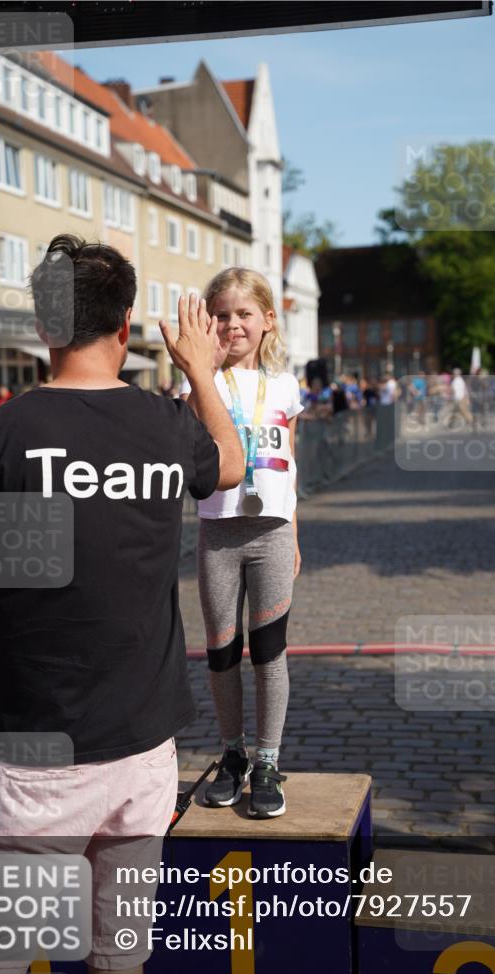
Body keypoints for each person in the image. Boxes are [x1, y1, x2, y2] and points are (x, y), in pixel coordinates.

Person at [0, 234, 243, 974]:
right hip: (141, 745)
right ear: (126, 324)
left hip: (37, 742)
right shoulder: (166, 428)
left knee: (0, 963)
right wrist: (199, 369)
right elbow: (229, 465)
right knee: (116, 961)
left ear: (43, 326)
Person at [180, 267, 303, 819]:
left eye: (244, 314)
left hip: (272, 531)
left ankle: (269, 760)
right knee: (223, 653)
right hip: (219, 532)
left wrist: (295, 534)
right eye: (222, 315)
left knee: (270, 653)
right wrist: (198, 373)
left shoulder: (285, 385)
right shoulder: (199, 385)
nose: (233, 325)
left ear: (268, 320)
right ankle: (232, 755)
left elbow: (291, 467)